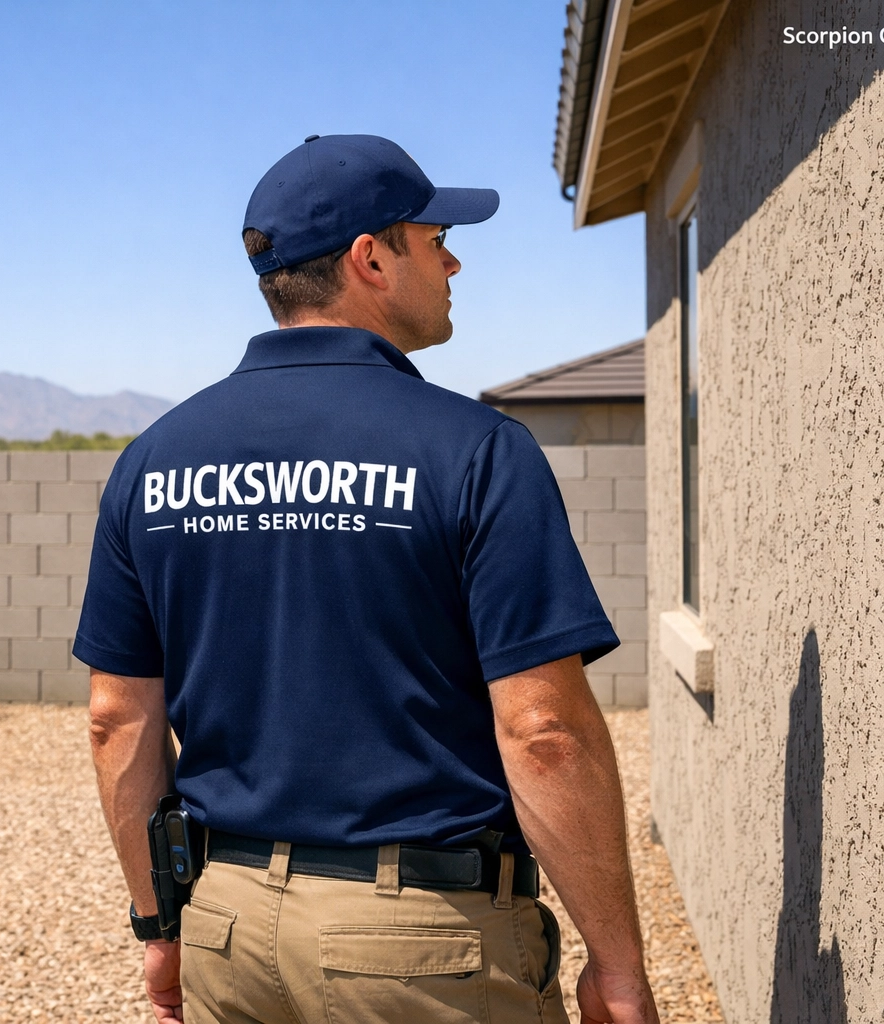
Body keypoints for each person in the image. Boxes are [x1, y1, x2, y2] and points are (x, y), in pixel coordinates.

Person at [76, 134, 660, 1024]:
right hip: (423, 953)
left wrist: (161, 926)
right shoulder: (475, 452)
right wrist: (615, 964)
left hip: (228, 934)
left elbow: (117, 720)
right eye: (435, 238)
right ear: (371, 259)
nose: (455, 258)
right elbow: (544, 731)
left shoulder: (152, 463)